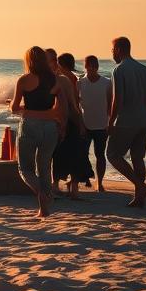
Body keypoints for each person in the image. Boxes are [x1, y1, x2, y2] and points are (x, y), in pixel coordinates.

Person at [10, 46, 65, 218]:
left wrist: (27, 110)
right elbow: (60, 108)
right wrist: (53, 119)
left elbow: (13, 108)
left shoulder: (24, 80)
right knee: (44, 167)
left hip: (29, 125)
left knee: (25, 168)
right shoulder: (55, 80)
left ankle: (41, 193)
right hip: (50, 127)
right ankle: (44, 208)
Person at [106, 36, 146, 208]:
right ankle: (139, 197)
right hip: (144, 120)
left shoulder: (118, 70)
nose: (111, 53)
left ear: (119, 50)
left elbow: (117, 98)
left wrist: (111, 121)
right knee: (138, 157)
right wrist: (142, 103)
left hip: (126, 121)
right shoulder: (144, 69)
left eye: (112, 49)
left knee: (113, 154)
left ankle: (140, 186)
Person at [51, 52, 91, 199]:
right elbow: (75, 103)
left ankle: (57, 185)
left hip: (65, 120)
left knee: (60, 154)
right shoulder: (72, 78)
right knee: (76, 155)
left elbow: (71, 103)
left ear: (59, 64)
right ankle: (72, 188)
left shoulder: (63, 78)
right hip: (70, 120)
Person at [78, 55, 112, 192]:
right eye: (88, 65)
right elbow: (76, 105)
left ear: (97, 66)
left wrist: (110, 122)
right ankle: (86, 178)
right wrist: (80, 123)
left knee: (100, 154)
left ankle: (100, 182)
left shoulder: (106, 82)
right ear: (85, 66)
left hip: (102, 125)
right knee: (83, 153)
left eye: (93, 65)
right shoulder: (80, 82)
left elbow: (111, 103)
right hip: (85, 124)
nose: (91, 68)